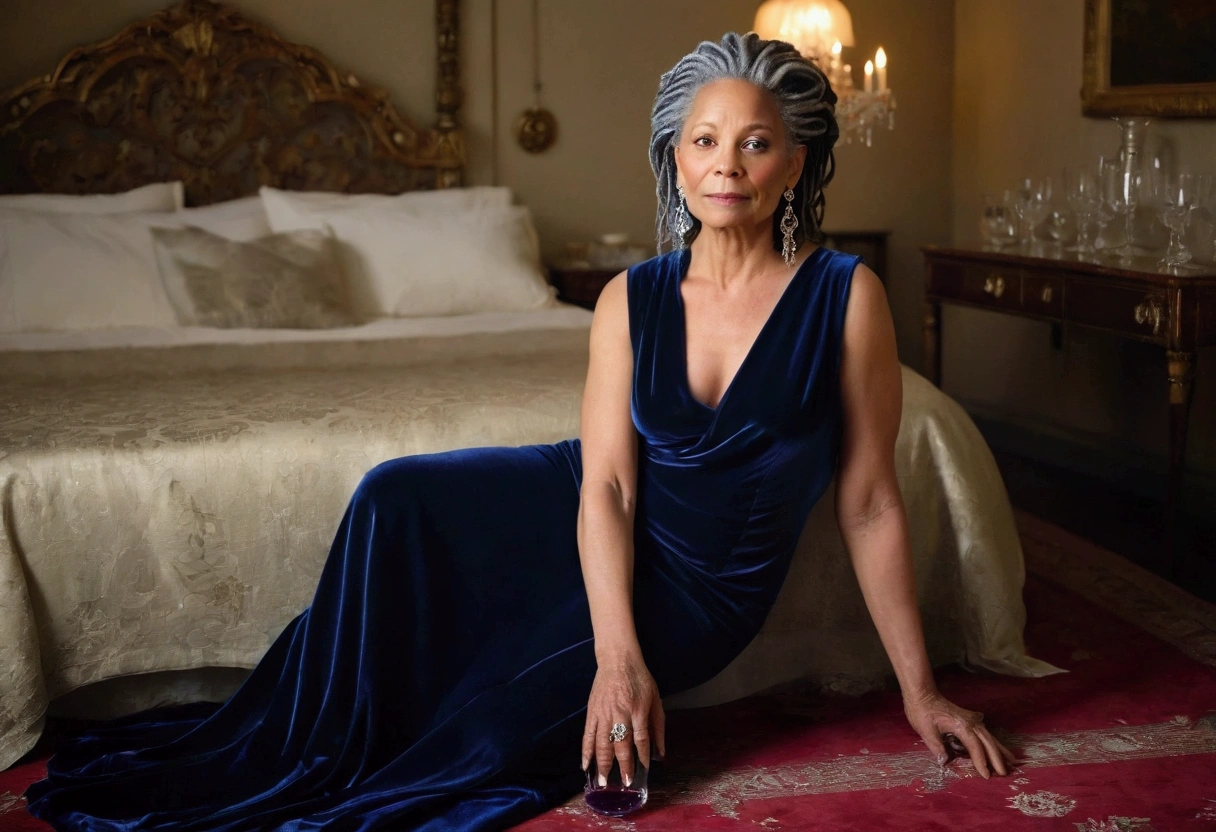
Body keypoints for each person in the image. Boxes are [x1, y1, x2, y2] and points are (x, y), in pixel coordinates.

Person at [25, 31, 1016, 831]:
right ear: (676, 156)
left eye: (754, 142)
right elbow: (607, 485)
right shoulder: (632, 298)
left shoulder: (847, 299)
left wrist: (918, 689)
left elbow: (871, 497)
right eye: (704, 140)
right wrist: (615, 654)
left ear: (793, 161)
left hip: (707, 585)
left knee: (485, 742)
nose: (727, 165)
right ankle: (307, 724)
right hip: (588, 504)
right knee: (395, 494)